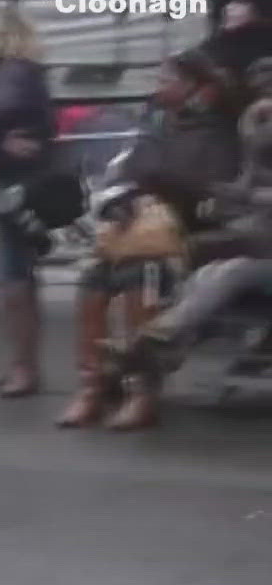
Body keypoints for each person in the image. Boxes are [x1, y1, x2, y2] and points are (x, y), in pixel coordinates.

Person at [59, 49, 241, 430]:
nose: (157, 87)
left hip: (188, 234)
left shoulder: (218, 131)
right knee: (94, 277)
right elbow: (123, 173)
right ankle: (93, 386)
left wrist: (161, 187)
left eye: (165, 80)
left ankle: (142, 391)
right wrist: (119, 204)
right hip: (140, 227)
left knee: (143, 276)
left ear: (193, 86)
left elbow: (216, 191)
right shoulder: (156, 125)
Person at [0, 5, 56, 399]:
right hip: (25, 187)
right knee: (19, 279)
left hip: (12, 190)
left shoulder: (11, 75)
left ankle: (24, 368)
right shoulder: (29, 76)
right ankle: (22, 364)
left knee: (12, 281)